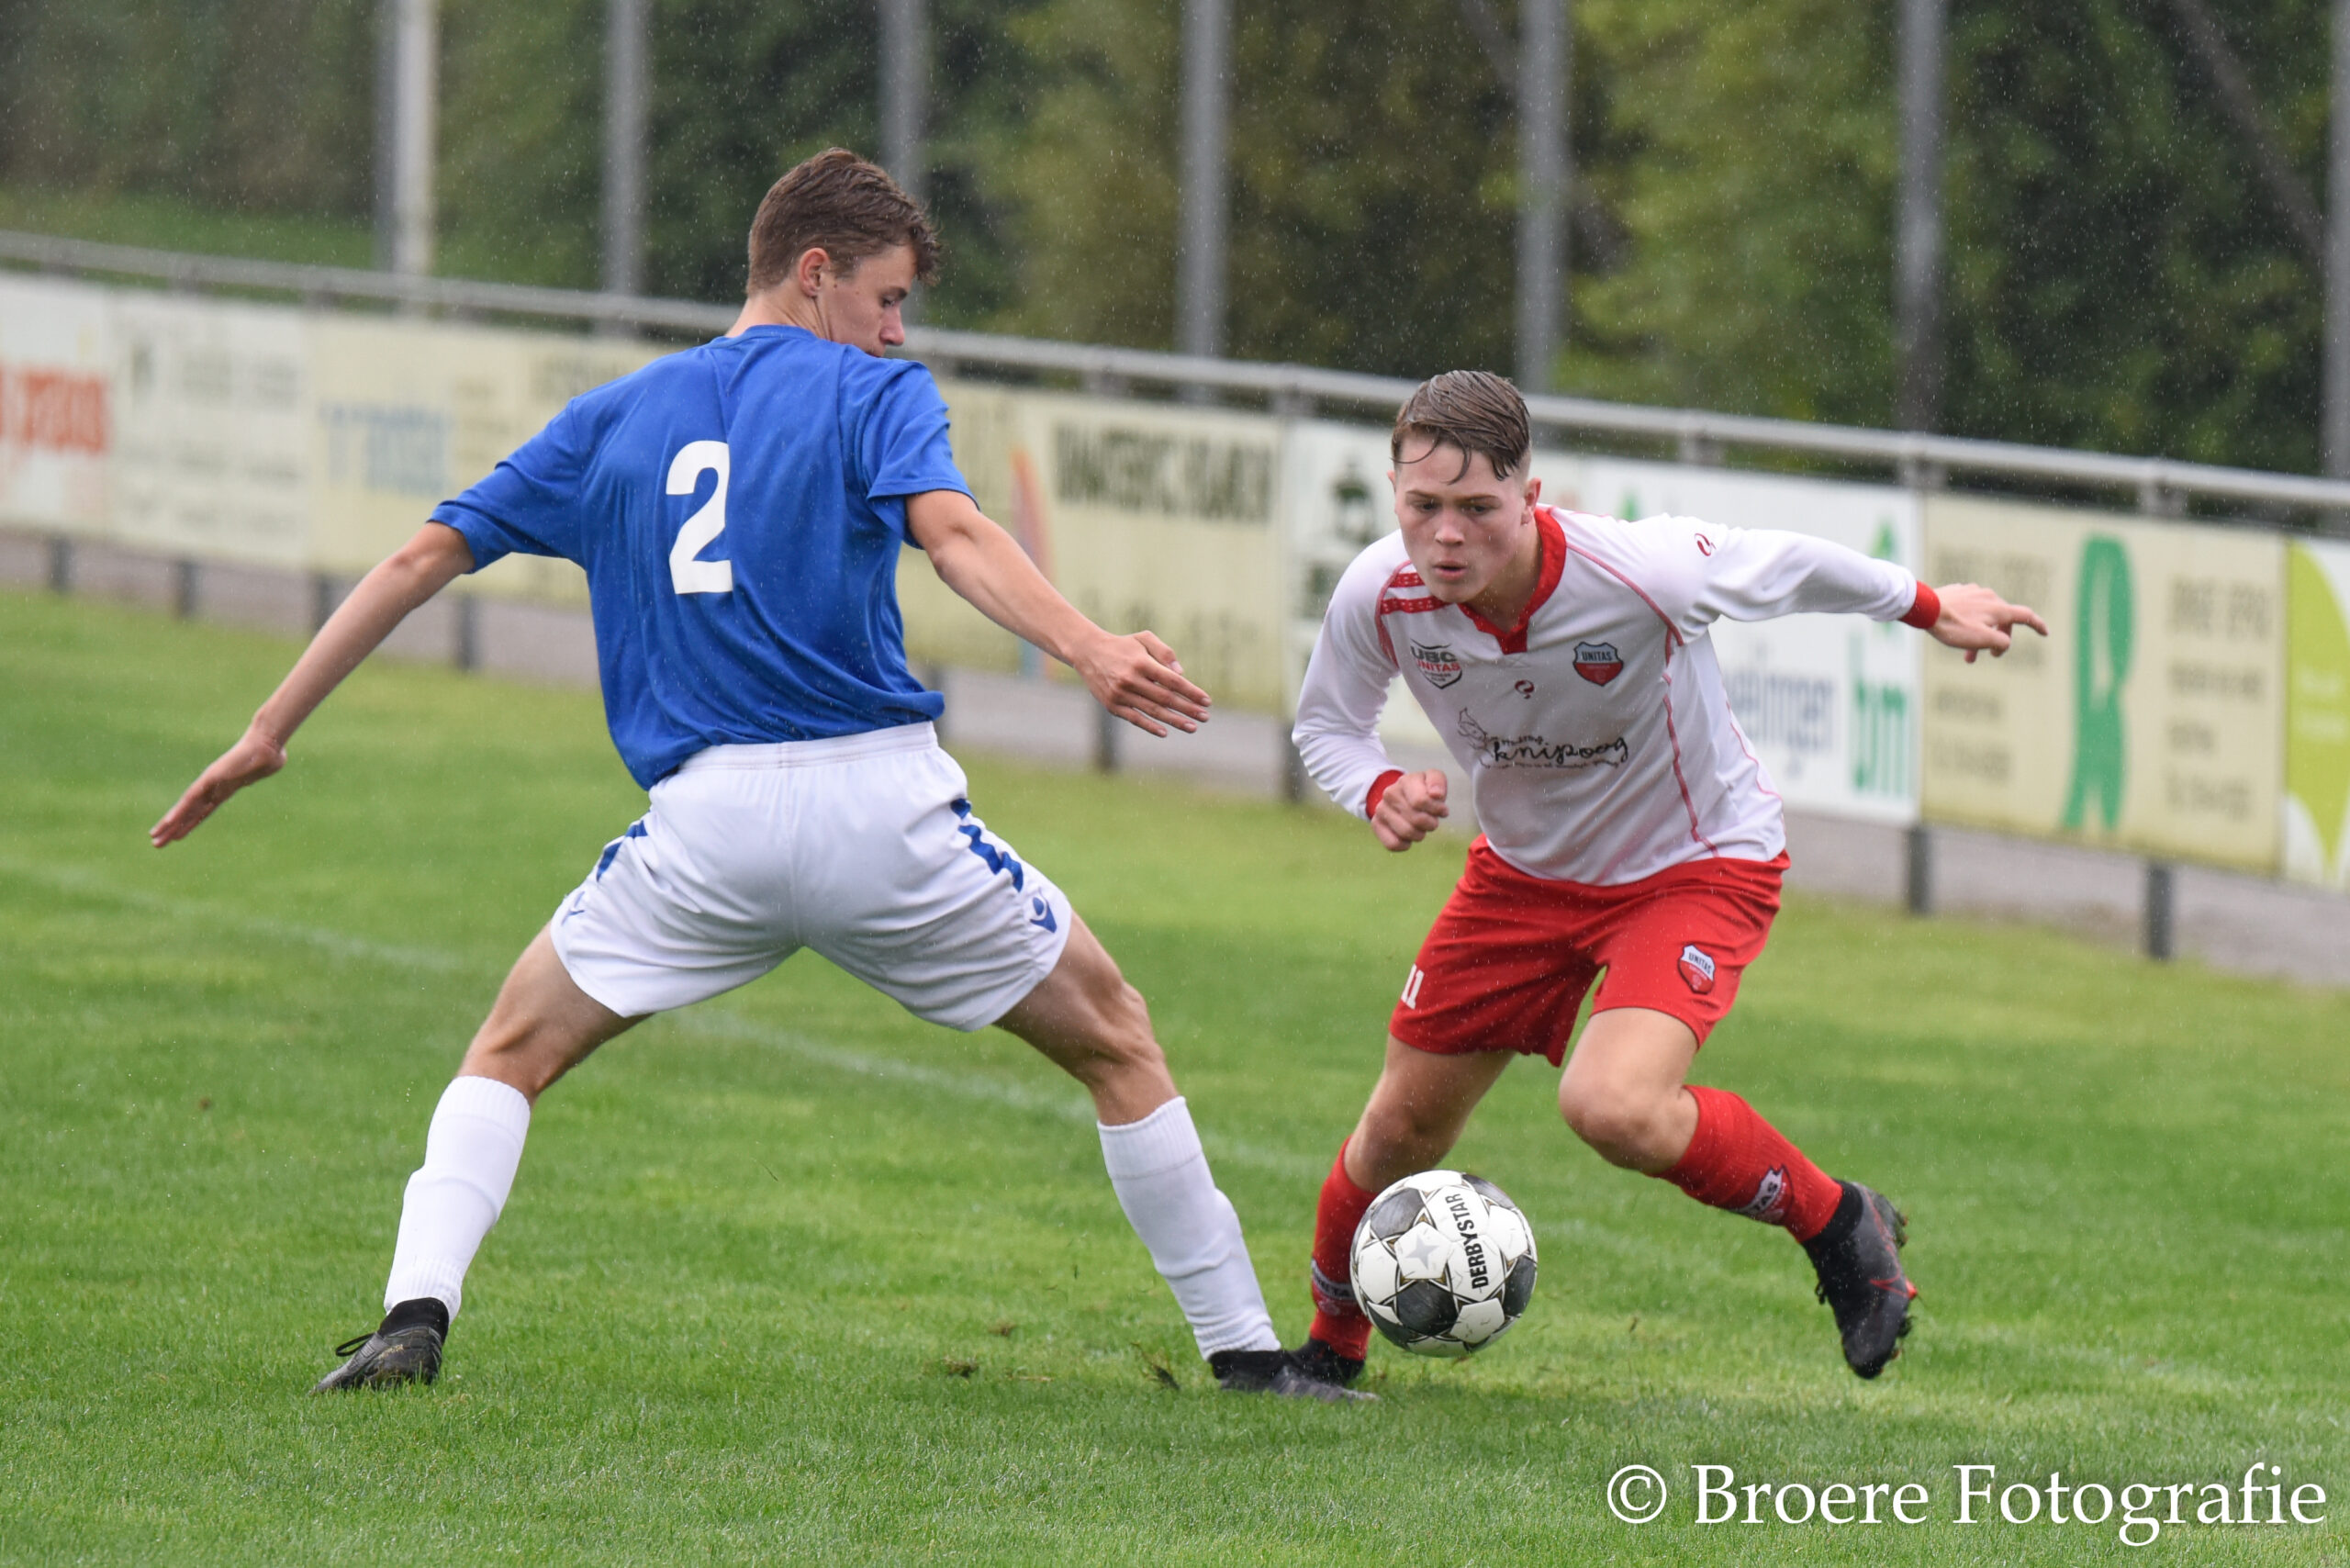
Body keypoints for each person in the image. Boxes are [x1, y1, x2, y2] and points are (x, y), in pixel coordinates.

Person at [152, 149, 1355, 1402]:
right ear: (814, 272)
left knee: (507, 1052)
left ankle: (413, 1314)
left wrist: (268, 730)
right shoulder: (872, 393)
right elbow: (955, 535)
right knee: (1115, 1039)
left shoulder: (615, 416)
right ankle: (1247, 1357)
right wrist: (1088, 645)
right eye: (886, 299)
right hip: (880, 814)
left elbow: (419, 559)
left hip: (705, 832)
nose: (896, 332)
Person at [1282, 370, 2046, 1391]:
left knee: (1613, 1106)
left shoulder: (1639, 571)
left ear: (1531, 497)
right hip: (1521, 876)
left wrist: (1927, 606)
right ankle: (1328, 1355)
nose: (1447, 535)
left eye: (1478, 508)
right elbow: (1326, 724)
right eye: (1423, 506)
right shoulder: (1379, 592)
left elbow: (1787, 565)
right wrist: (1375, 787)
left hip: (1692, 864)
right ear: (1393, 493)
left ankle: (1836, 1221)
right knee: (1398, 1127)